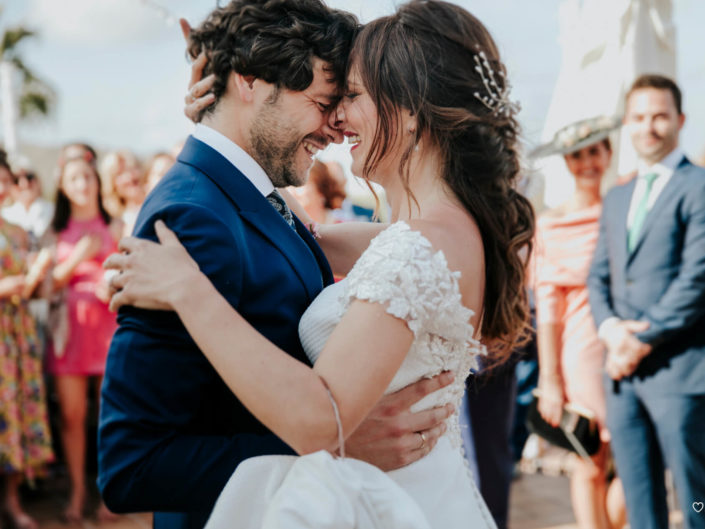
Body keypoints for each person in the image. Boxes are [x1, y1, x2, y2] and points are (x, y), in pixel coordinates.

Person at [104, 1, 534, 527]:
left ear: (412, 109)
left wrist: (189, 290)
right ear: (252, 82)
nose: (338, 122)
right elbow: (133, 461)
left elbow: (319, 411)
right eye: (327, 100)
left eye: (350, 97)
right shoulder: (443, 233)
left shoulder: (418, 247)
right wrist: (217, 124)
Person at [587, 74, 705, 529]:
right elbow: (598, 276)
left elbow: (698, 278)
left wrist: (642, 339)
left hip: (681, 372)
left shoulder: (697, 186)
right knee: (640, 503)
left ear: (680, 120)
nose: (648, 127)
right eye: (638, 117)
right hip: (622, 376)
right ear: (627, 124)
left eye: (659, 116)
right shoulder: (617, 196)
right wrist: (611, 331)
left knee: (697, 500)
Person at [530, 116, 626, 529]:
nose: (587, 161)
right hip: (581, 348)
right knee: (589, 457)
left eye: (594, 151)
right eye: (577, 155)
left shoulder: (626, 211)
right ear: (567, 163)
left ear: (608, 153)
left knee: (634, 453)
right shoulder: (551, 224)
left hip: (627, 342)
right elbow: (547, 307)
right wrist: (549, 379)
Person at [46, 143, 121, 524]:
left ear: (97, 181)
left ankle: (110, 493)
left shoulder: (116, 225)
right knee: (73, 417)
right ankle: (77, 491)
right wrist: (77, 258)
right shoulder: (55, 231)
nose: (82, 184)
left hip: (110, 332)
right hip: (68, 335)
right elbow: (44, 287)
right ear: (62, 185)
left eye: (87, 176)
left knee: (111, 414)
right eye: (73, 178)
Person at [0, 150, 53, 529]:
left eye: (6, 180)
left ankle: (13, 502)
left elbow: (36, 293)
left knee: (15, 412)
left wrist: (38, 279)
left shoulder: (20, 232)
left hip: (16, 335)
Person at [99, 150, 146, 236]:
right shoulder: (110, 218)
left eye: (133, 168)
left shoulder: (156, 204)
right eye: (120, 174)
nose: (129, 177)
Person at [2, 166, 54, 242]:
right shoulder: (5, 216)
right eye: (16, 180)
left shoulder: (55, 211)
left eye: (29, 177)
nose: (24, 184)